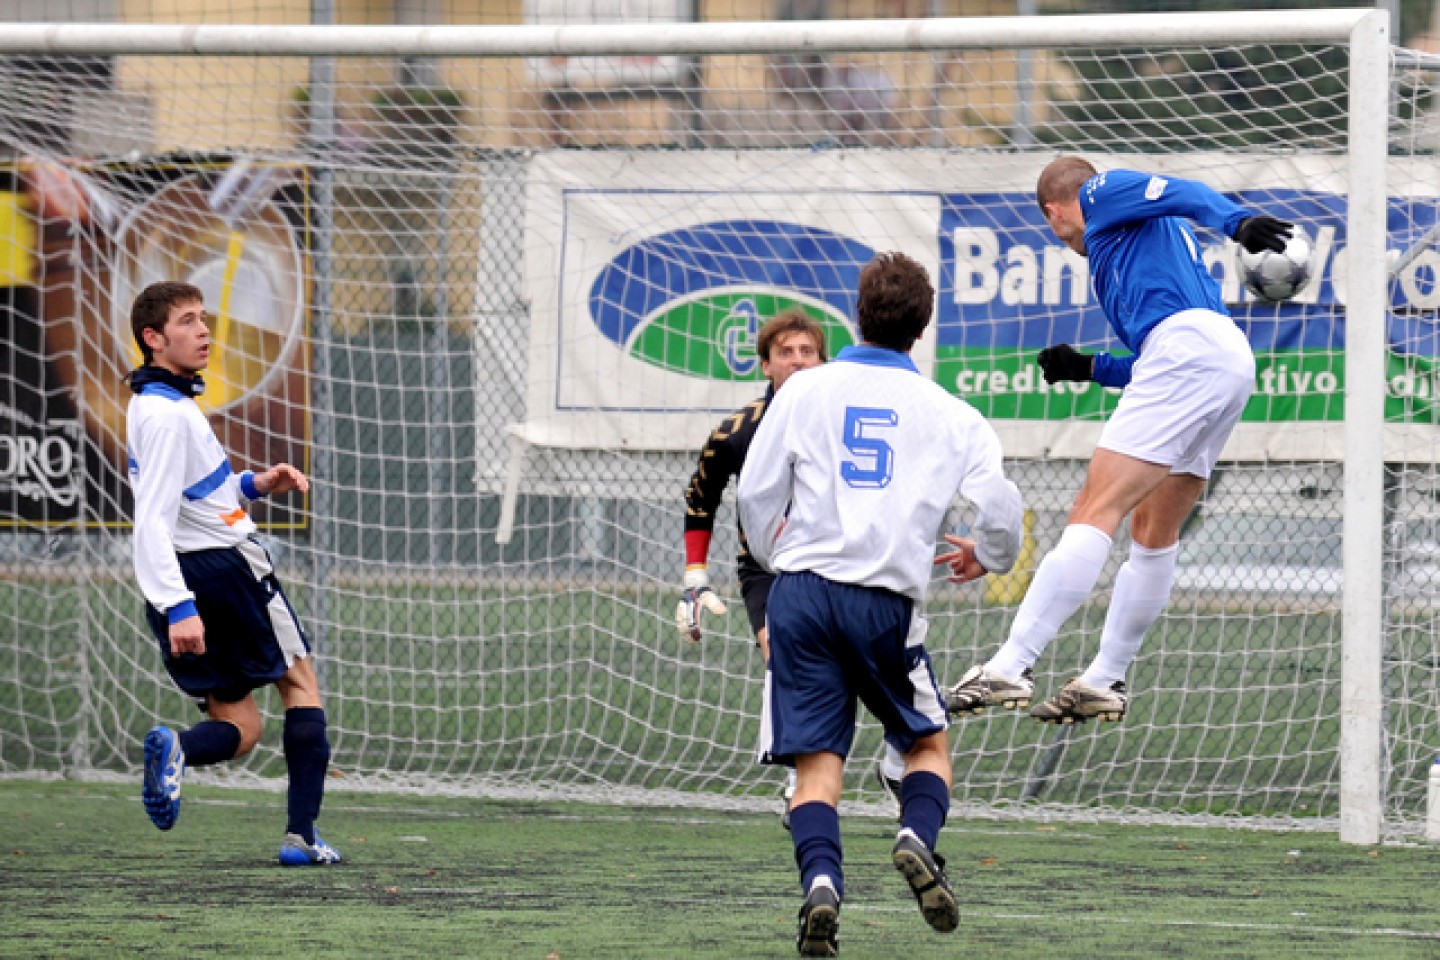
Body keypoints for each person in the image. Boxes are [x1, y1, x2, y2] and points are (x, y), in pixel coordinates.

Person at [738, 252, 1023, 956]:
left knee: (817, 765)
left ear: (857, 314)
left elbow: (753, 495)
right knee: (926, 741)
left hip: (801, 596)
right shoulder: (954, 414)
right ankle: (914, 836)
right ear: (921, 329)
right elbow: (1000, 509)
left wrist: (783, 565)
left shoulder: (803, 391)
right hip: (884, 602)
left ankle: (823, 885)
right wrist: (989, 554)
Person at [945, 156, 1290, 726]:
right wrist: (1088, 368)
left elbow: (1183, 189)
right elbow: (1158, 352)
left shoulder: (1101, 193)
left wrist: (1236, 221)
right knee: (1153, 531)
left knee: (1093, 509)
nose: (1061, 239)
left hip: (1188, 355)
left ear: (1055, 213)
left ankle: (1008, 665)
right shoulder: (1144, 239)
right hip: (1223, 360)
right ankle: (1104, 678)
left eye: (1052, 228)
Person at [126, 280, 340, 866]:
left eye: (204, 319)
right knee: (300, 685)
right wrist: (179, 605)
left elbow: (196, 497)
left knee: (241, 727)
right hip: (224, 573)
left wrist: (253, 485)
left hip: (195, 573)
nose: (204, 332)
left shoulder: (156, 402)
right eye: (189, 322)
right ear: (153, 337)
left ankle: (178, 749)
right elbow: (153, 520)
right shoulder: (168, 415)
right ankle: (302, 838)